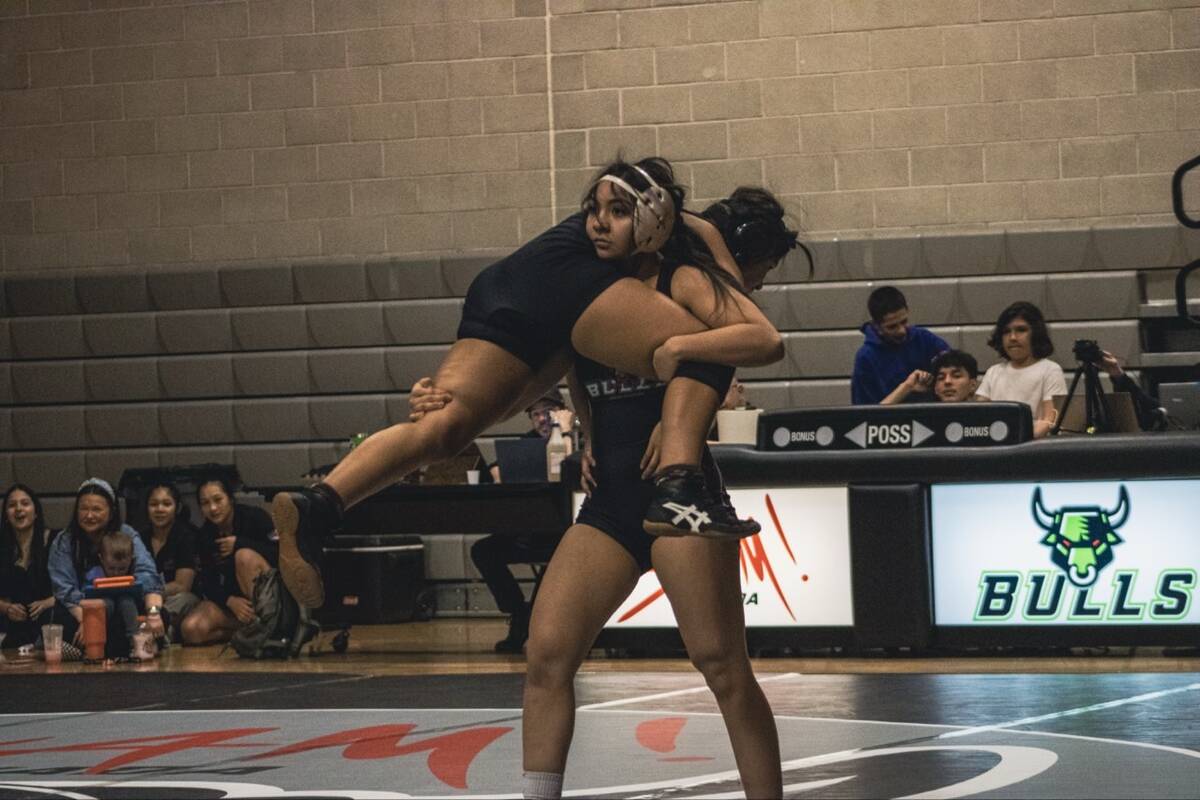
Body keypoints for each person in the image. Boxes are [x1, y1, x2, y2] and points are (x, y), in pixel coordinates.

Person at [412, 182, 797, 799]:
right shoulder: (584, 296)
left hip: (680, 501)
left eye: (616, 214)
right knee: (547, 654)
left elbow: (758, 342)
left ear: (651, 224)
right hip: (612, 502)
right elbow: (531, 374)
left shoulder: (684, 282)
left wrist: (678, 361)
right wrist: (447, 399)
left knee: (723, 668)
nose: (597, 226)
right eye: (593, 213)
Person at [273, 156, 786, 610]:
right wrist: (680, 430)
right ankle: (680, 481)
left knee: (444, 424)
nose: (598, 225)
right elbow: (753, 335)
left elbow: (573, 367)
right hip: (564, 294)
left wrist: (591, 432)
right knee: (712, 343)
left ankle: (319, 505)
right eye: (760, 272)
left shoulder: (610, 261)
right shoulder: (670, 242)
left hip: (502, 293)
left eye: (611, 214)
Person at [460, 388, 571, 654]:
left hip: (571, 534)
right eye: (535, 415)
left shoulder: (579, 437)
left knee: (560, 558)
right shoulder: (529, 441)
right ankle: (518, 612)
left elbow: (565, 467)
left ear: (563, 412)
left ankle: (533, 620)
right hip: (534, 531)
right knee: (484, 551)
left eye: (547, 412)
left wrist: (564, 432)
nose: (542, 419)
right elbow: (497, 471)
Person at [47, 478, 165, 658]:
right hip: (82, 610)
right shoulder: (65, 540)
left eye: (96, 509)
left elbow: (148, 576)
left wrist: (154, 614)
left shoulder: (127, 534)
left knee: (157, 614)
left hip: (126, 606)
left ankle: (131, 646)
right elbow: (64, 588)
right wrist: (89, 619)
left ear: (111, 512)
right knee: (54, 619)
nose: (89, 515)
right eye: (84, 509)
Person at [180, 478, 277, 645]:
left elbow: (279, 553)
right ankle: (250, 631)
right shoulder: (204, 535)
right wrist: (229, 600)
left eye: (218, 500)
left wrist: (239, 543)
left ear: (230, 498)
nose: (213, 508)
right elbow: (206, 581)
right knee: (192, 629)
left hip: (269, 599)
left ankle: (269, 625)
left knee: (243, 557)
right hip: (234, 605)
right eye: (205, 503)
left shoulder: (255, 517)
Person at [974, 301, 1067, 438]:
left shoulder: (1050, 370)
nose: (1012, 338)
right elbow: (978, 417)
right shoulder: (993, 372)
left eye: (1021, 330)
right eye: (1006, 332)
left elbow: (1051, 420)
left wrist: (1017, 444)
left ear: (1035, 333)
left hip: (1032, 450)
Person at [851, 286, 950, 405]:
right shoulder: (865, 358)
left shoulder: (924, 338)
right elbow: (864, 415)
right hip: (887, 421)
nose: (902, 330)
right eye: (892, 327)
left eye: (904, 322)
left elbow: (953, 364)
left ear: (908, 312)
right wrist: (907, 387)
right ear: (877, 326)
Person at [137, 481, 200, 642]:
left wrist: (151, 593)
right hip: (147, 599)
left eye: (166, 504)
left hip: (175, 599)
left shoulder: (187, 536)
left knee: (186, 599)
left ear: (177, 508)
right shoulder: (139, 538)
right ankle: (160, 635)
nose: (159, 509)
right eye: (154, 504)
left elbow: (182, 585)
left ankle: (155, 632)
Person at [0, 484, 58, 650]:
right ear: (6, 515)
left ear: (36, 512)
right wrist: (6, 608)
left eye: (25, 503)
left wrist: (49, 602)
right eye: (12, 505)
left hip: (49, 618)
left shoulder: (55, 541)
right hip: (11, 624)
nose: (18, 509)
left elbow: (72, 585)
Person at [83, 530, 145, 658]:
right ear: (101, 559)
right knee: (106, 603)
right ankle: (95, 645)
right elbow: (85, 592)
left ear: (131, 560)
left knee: (126, 601)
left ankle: (135, 643)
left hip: (127, 607)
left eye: (122, 568)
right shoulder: (94, 574)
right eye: (111, 568)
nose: (116, 573)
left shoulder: (135, 573)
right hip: (106, 610)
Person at [881, 349, 980, 405]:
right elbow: (873, 418)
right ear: (935, 388)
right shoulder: (924, 415)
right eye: (941, 378)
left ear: (972, 385)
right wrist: (907, 386)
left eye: (956, 376)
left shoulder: (983, 416)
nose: (947, 381)